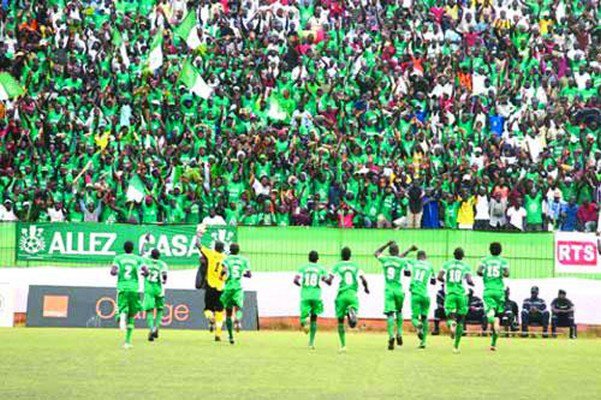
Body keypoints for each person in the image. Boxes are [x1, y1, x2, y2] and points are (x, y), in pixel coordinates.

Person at [373, 241, 417, 350]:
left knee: (390, 314)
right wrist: (410, 249)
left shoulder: (385, 259)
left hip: (389, 290)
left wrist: (386, 243)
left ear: (389, 251)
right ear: (398, 252)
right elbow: (402, 261)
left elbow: (376, 253)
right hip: (398, 290)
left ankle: (391, 336)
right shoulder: (401, 261)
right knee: (399, 311)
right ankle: (400, 333)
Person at [330, 247, 369, 352]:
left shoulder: (337, 265)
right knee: (354, 309)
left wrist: (326, 280)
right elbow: (363, 279)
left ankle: (343, 346)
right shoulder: (355, 266)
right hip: (352, 294)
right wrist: (366, 288)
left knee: (340, 321)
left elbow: (330, 279)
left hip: (341, 296)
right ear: (350, 255)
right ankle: (351, 310)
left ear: (341, 256)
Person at [438, 247, 474, 353]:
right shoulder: (466, 266)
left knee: (450, 315)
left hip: (450, 293)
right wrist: (471, 283)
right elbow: (469, 280)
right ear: (463, 256)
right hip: (462, 294)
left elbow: (439, 277)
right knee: (461, 320)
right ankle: (456, 346)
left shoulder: (447, 264)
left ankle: (451, 324)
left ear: (454, 254)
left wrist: (447, 282)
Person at [110, 241, 145, 349]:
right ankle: (127, 342)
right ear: (132, 248)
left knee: (121, 309)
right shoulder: (138, 259)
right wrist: (143, 273)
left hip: (122, 287)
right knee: (132, 315)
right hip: (135, 288)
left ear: (124, 248)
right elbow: (146, 271)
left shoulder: (118, 258)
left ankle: (121, 316)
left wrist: (116, 272)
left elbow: (112, 272)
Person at [195, 224, 227, 341]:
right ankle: (218, 333)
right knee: (219, 310)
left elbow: (198, 245)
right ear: (222, 249)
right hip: (220, 287)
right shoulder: (225, 258)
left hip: (210, 286)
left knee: (208, 308)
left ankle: (210, 318)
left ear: (214, 248)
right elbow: (225, 272)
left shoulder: (210, 253)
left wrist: (198, 234)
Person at [293, 250, 330, 350]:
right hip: (316, 296)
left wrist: (301, 285)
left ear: (308, 258)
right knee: (314, 319)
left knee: (303, 318)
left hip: (305, 296)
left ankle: (305, 321)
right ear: (318, 259)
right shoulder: (321, 268)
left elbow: (295, 280)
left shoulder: (303, 268)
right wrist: (324, 280)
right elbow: (328, 281)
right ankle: (311, 342)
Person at [477, 242, 510, 351]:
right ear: (500, 251)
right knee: (498, 316)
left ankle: (494, 321)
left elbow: (478, 271)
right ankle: (493, 344)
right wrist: (501, 274)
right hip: (500, 291)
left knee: (491, 316)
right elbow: (507, 273)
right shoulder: (503, 261)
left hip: (489, 291)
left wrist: (484, 275)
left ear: (490, 250)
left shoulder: (484, 260)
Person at [404, 250, 436, 349]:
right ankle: (423, 342)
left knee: (414, 318)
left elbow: (401, 257)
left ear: (417, 257)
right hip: (425, 296)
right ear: (425, 257)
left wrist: (409, 250)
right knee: (425, 318)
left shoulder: (414, 262)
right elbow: (433, 281)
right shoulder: (430, 266)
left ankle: (418, 325)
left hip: (415, 294)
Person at [221, 243, 252, 345]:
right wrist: (241, 273)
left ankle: (230, 337)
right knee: (238, 308)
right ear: (238, 250)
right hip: (238, 288)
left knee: (228, 313)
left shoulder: (226, 259)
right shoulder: (244, 260)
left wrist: (221, 277)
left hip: (228, 288)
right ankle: (238, 320)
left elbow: (223, 272)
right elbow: (249, 275)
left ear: (230, 250)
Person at [142, 248, 168, 342]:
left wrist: (145, 241)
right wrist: (164, 280)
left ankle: (152, 328)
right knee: (160, 309)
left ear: (151, 255)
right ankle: (156, 327)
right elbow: (164, 275)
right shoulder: (162, 264)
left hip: (149, 289)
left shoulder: (146, 261)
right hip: (159, 289)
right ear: (159, 256)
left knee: (149, 310)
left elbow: (141, 253)